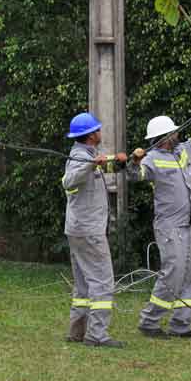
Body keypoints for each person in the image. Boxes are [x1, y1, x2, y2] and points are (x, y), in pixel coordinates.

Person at [127, 95, 191, 340]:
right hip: (169, 227)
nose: (177, 134)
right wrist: (133, 161)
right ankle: (149, 322)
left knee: (189, 276)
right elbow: (134, 176)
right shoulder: (150, 160)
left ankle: (181, 325)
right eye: (172, 132)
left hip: (186, 224)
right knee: (173, 272)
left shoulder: (184, 153)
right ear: (163, 138)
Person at [62, 112, 127, 348]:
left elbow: (101, 165)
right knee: (102, 281)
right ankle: (97, 334)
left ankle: (77, 331)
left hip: (80, 229)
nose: (101, 132)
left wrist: (121, 161)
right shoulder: (81, 159)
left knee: (82, 283)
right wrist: (91, 166)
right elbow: (69, 180)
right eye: (98, 129)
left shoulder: (86, 155)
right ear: (91, 135)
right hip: (88, 231)